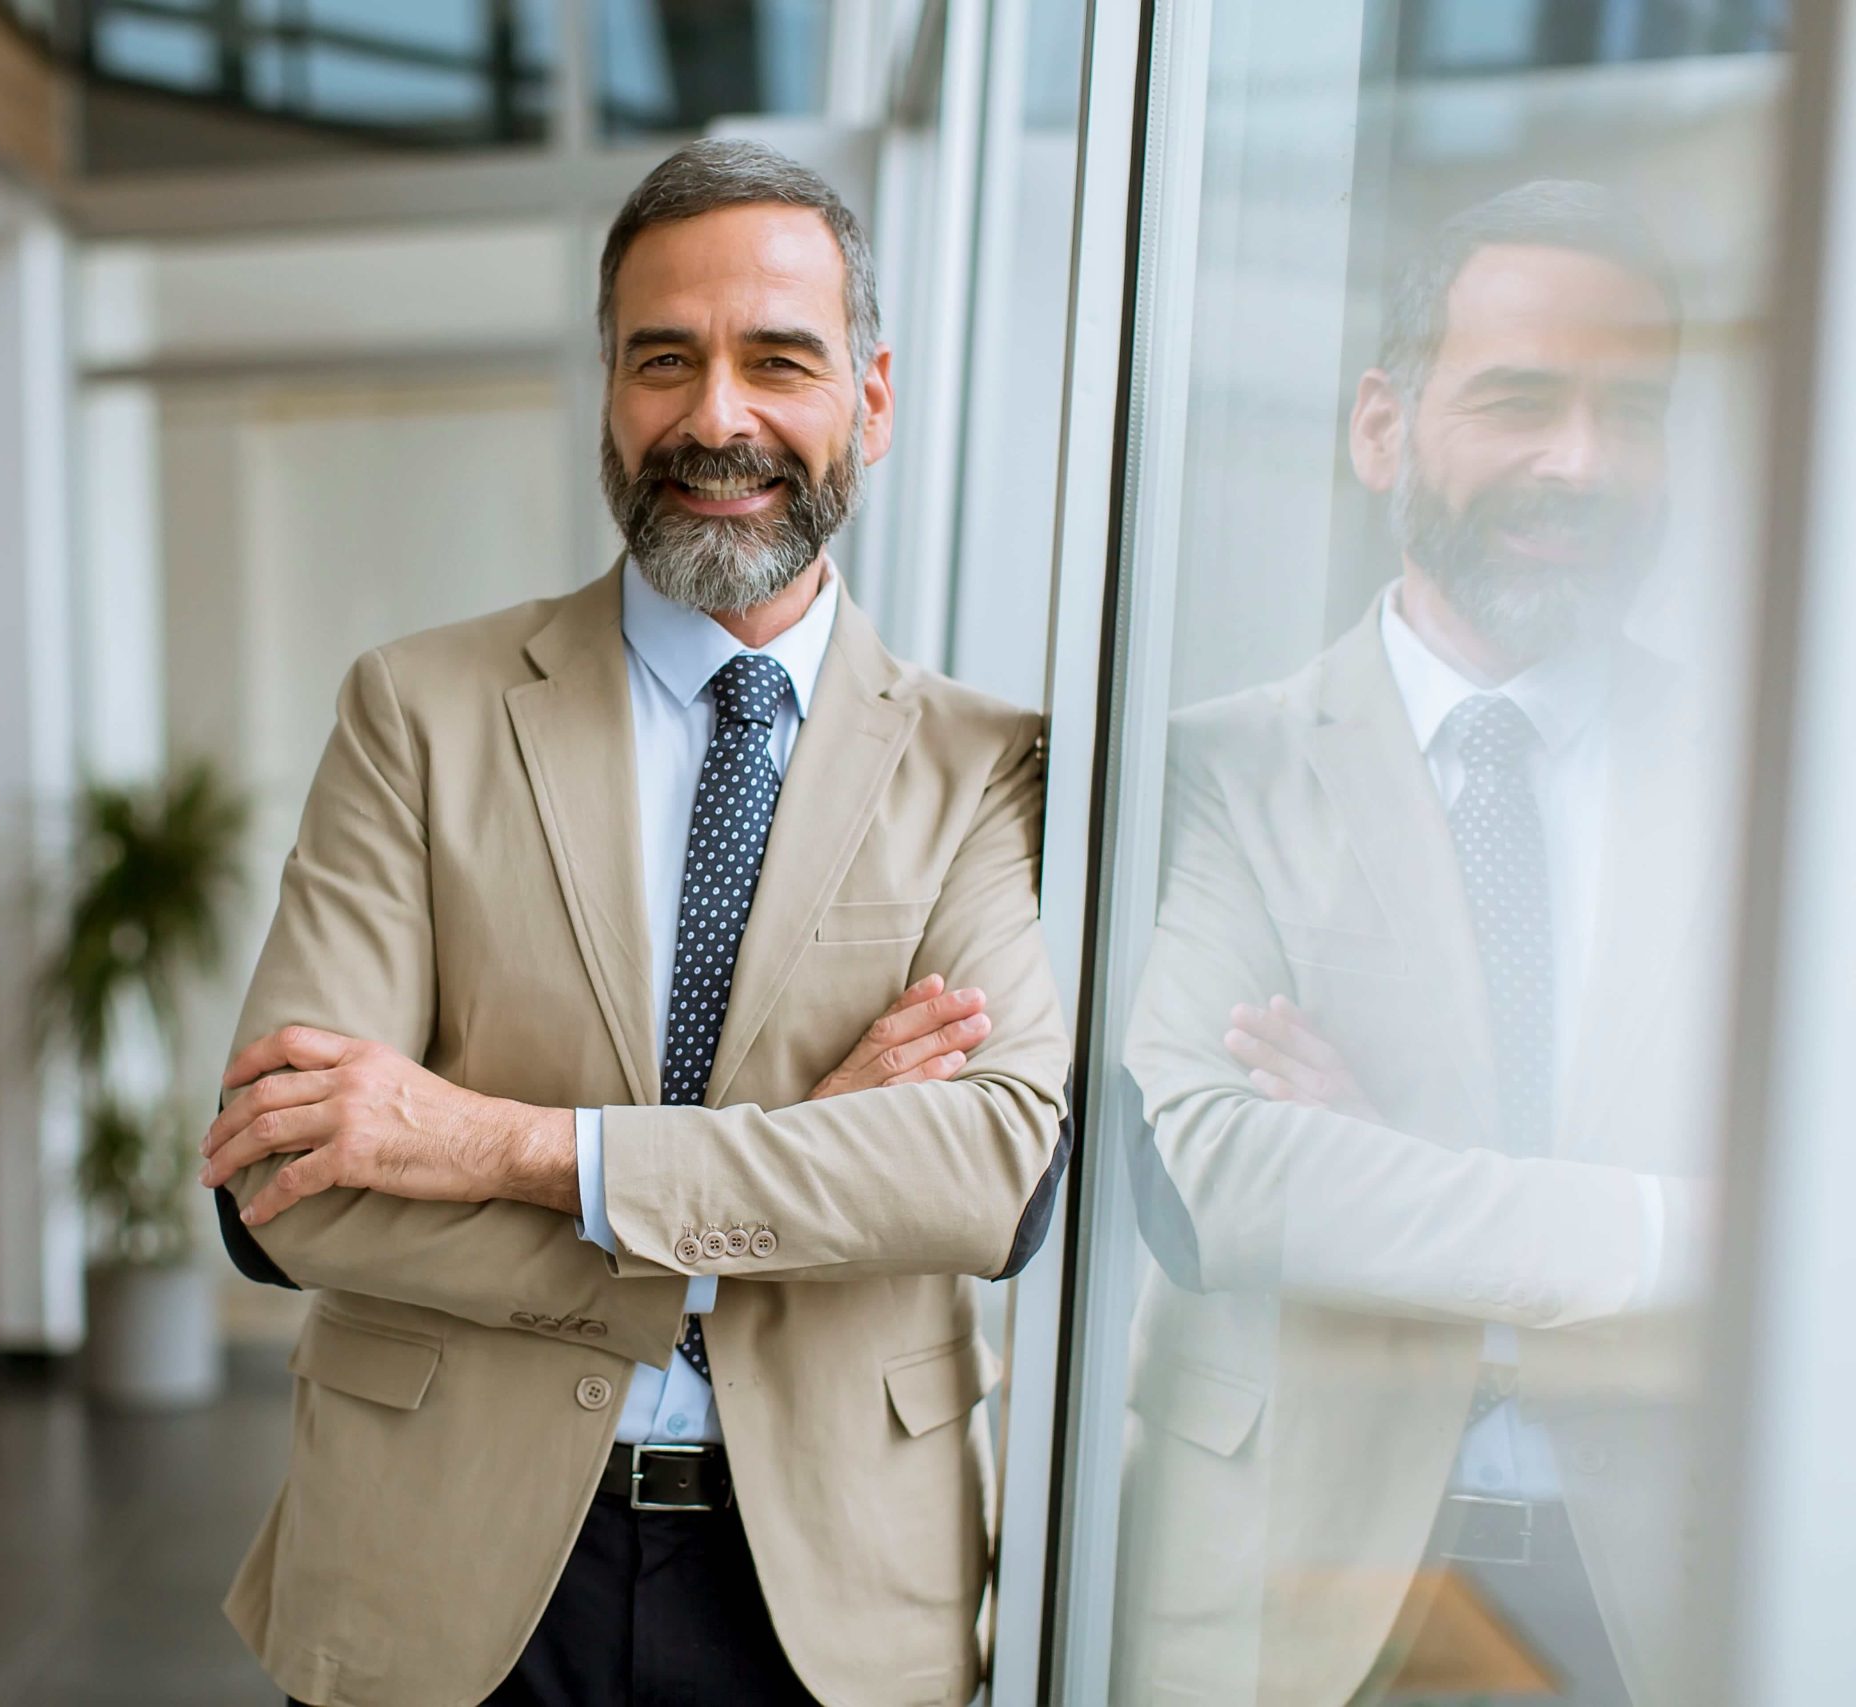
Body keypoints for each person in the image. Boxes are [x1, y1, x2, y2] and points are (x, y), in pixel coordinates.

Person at [195, 138, 1073, 1707]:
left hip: (832, 1595)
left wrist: (507, 1148)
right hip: (440, 1571)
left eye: (777, 360)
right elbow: (285, 1181)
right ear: (608, 389)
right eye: (663, 359)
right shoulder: (420, 712)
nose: (715, 416)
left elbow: (991, 1175)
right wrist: (799, 1172)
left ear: (869, 400)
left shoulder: (983, 761)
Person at [1112, 181, 1724, 1706]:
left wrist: (1392, 1164)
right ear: (1382, 425)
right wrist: (1673, 1229)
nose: (1579, 460)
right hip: (1289, 1593)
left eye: (1628, 410)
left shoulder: (1773, 786)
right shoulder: (1212, 771)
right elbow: (1217, 1183)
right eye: (1523, 399)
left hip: (1660, 1598)